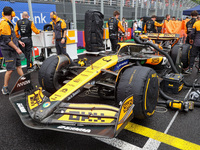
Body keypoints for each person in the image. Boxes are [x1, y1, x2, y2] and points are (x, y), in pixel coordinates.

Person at [0, 6, 25, 95]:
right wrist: (17, 48)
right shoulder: (4, 24)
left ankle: (25, 82)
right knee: (10, 70)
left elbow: (12, 37)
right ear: (12, 14)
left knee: (18, 66)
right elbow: (7, 40)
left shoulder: (9, 23)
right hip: (8, 50)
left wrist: (19, 41)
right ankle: (5, 87)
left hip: (13, 48)